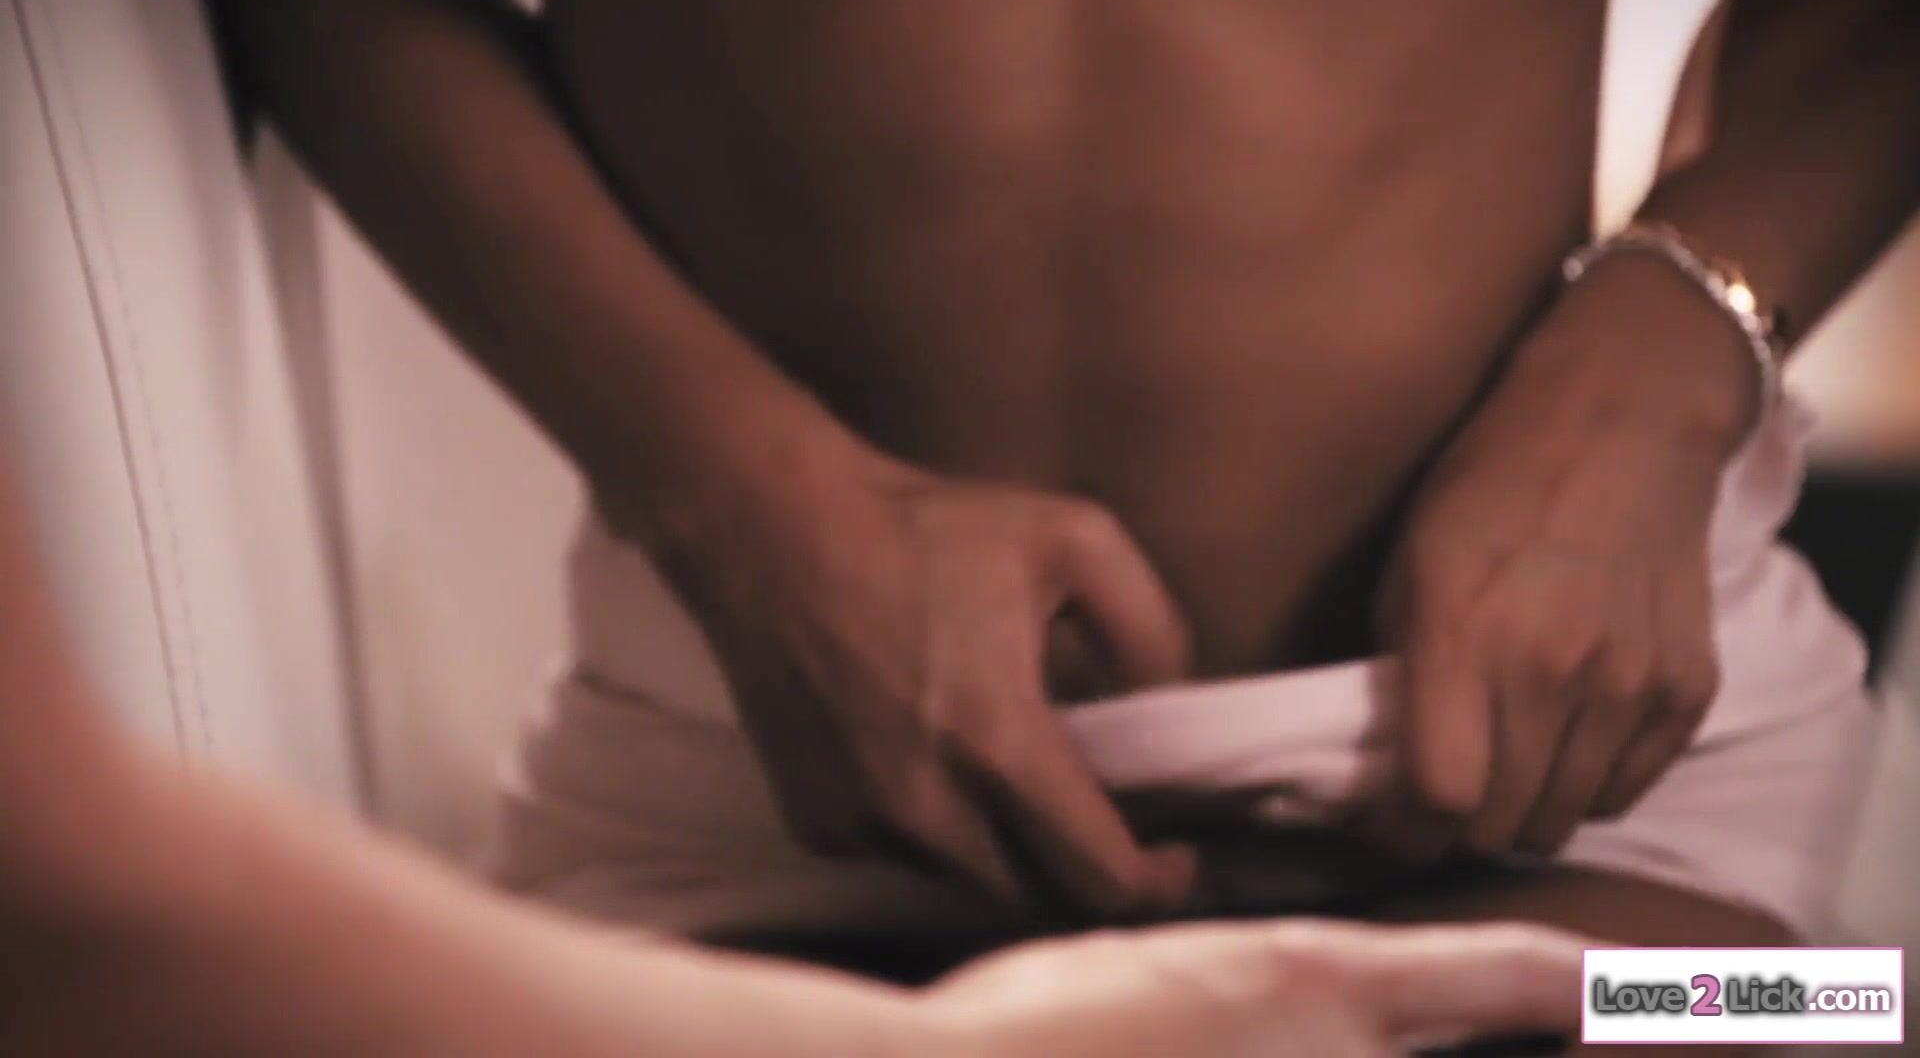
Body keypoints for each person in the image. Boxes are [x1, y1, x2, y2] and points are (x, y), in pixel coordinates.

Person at [214, 0, 1917, 978]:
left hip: (1587, 819)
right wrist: (734, 498)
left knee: (1835, 1010)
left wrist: (1652, 382)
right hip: (763, 803)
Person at [0, 440, 1589, 1054]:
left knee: (1743, 1004)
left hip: (1538, 774)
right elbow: (57, 891)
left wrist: (1688, 314)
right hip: (735, 781)